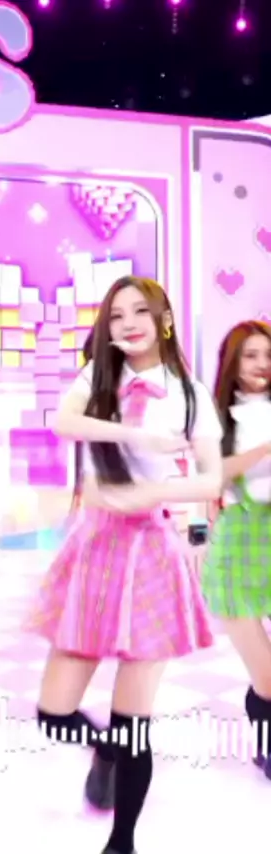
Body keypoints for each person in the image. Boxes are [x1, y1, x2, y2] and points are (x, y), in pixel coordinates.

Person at [25, 275, 223, 854]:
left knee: (132, 721)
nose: (128, 323)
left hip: (153, 552)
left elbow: (211, 478)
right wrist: (135, 434)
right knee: (52, 713)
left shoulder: (189, 394)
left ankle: (123, 841)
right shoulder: (99, 377)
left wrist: (152, 494)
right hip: (95, 549)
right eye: (116, 316)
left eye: (140, 311)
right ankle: (104, 750)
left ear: (164, 319)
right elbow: (63, 423)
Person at [201, 320, 271, 778]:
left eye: (268, 355)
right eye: (251, 355)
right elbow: (211, 475)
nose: (262, 364)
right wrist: (262, 450)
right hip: (238, 550)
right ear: (233, 362)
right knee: (267, 677)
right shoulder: (215, 419)